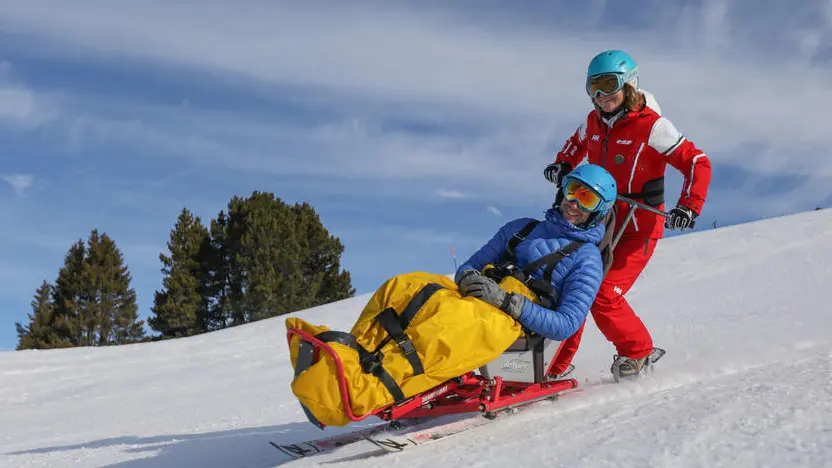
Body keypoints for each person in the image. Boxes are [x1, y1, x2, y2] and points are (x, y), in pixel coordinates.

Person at [543, 50, 712, 379]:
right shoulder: (593, 121)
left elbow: (697, 162)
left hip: (638, 226)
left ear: (629, 84)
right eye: (593, 87)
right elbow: (576, 143)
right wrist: (563, 163)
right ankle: (553, 366)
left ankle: (638, 351)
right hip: (599, 219)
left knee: (603, 293)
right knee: (572, 283)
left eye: (608, 85)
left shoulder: (652, 125)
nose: (601, 96)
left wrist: (689, 205)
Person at [454, 164, 616, 376]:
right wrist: (467, 278)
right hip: (472, 307)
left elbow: (567, 324)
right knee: (415, 287)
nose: (574, 204)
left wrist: (505, 301)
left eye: (587, 200)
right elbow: (470, 266)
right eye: (572, 190)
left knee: (445, 325)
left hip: (513, 330)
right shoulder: (521, 228)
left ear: (599, 211)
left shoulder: (587, 259)